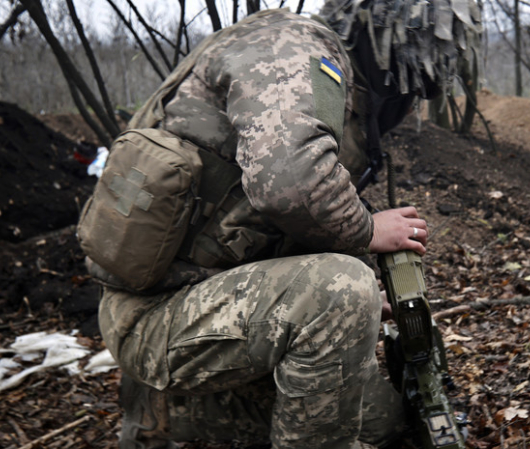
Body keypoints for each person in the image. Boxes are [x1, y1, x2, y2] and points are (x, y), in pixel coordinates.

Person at [93, 1, 481, 448]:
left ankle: (174, 411)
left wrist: (356, 310)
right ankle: (165, 400)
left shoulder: (333, 79)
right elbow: (291, 186)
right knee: (340, 289)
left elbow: (269, 223)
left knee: (383, 421)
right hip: (155, 315)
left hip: (207, 299)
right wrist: (367, 233)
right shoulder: (290, 45)